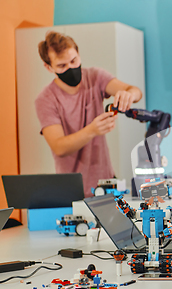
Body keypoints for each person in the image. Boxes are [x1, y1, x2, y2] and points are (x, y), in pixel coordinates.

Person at [35, 31, 142, 197]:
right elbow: (59, 147)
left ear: (78, 54)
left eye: (73, 61)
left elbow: (135, 91)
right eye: (62, 66)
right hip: (72, 189)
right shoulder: (46, 99)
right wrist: (93, 130)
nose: (71, 68)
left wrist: (129, 95)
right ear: (48, 67)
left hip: (107, 183)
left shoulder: (95, 77)